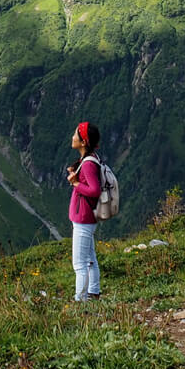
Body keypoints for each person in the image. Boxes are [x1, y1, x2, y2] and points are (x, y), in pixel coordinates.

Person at [66, 121, 103, 301]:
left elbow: (95, 190)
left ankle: (80, 302)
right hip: (87, 217)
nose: (72, 137)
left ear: (83, 142)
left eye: (76, 135)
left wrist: (75, 183)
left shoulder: (88, 163)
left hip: (84, 218)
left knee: (79, 264)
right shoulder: (88, 160)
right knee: (89, 259)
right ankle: (93, 293)